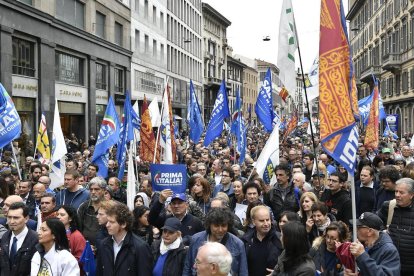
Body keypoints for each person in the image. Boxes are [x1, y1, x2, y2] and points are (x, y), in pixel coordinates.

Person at [183, 207, 248, 276]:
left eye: (223, 226)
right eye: (216, 226)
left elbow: (243, 271)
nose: (220, 230)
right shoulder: (196, 239)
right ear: (209, 225)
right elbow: (187, 267)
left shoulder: (238, 244)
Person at [96, 202, 153, 276]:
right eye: (107, 221)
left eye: (112, 222)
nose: (107, 225)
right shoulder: (103, 244)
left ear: (123, 224)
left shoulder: (140, 247)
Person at [377, 178, 414, 276]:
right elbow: (374, 224)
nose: (397, 195)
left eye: (401, 192)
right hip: (389, 265)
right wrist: (382, 233)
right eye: (396, 191)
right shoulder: (388, 206)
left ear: (411, 195)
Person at [241, 206, 282, 276]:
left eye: (268, 220)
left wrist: (279, 273)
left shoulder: (280, 239)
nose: (266, 224)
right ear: (253, 222)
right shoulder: (245, 240)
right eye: (261, 221)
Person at [0, 202, 38, 275]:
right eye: (9, 217)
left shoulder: (35, 239)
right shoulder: (5, 236)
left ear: (26, 219)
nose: (11, 221)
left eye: (16, 218)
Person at [77, 176, 106, 245]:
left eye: (96, 189)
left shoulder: (111, 207)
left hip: (104, 246)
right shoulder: (83, 206)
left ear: (104, 191)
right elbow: (78, 228)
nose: (93, 192)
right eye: (91, 189)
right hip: (86, 246)